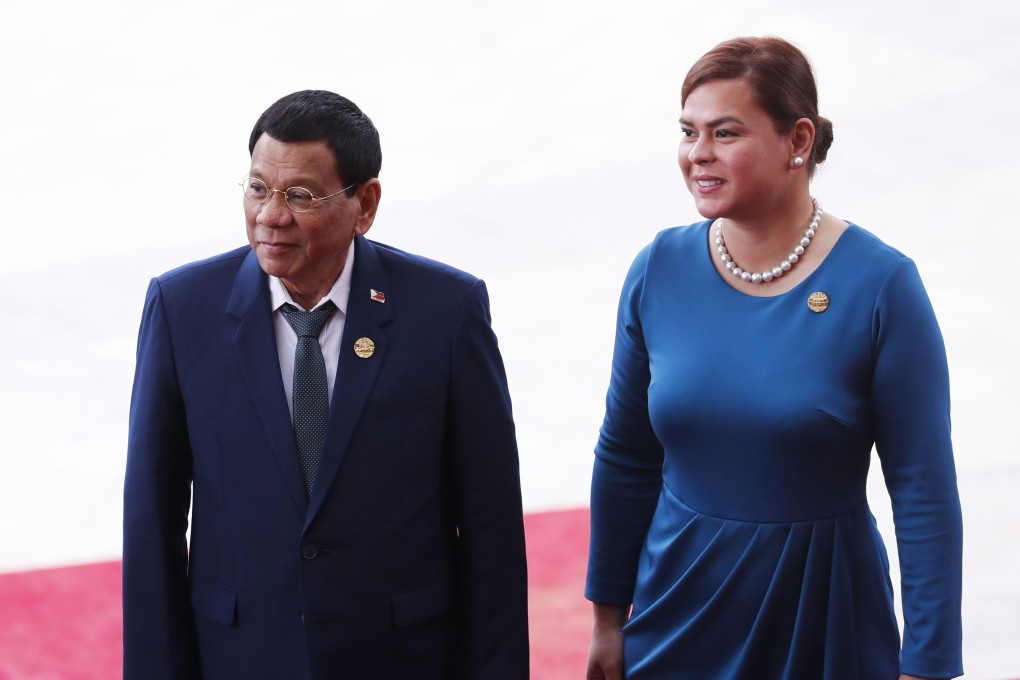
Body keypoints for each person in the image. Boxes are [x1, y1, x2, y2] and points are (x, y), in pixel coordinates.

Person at [584, 37, 963, 680]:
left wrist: (928, 665)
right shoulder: (659, 268)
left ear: (799, 141)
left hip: (821, 615)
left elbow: (923, 491)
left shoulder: (882, 286)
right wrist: (607, 620)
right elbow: (626, 455)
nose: (698, 154)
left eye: (725, 133)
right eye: (688, 132)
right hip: (677, 609)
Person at [123, 90, 530, 679]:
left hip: (401, 660)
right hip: (242, 658)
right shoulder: (183, 310)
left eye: (301, 195)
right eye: (258, 187)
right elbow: (152, 520)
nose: (270, 215)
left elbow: (491, 526)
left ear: (364, 204)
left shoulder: (444, 311)